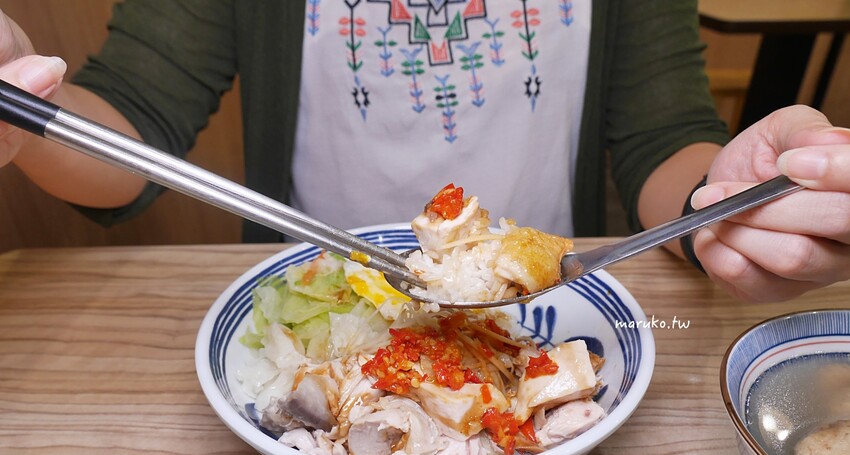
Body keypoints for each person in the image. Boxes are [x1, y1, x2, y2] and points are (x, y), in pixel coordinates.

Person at [0, 1, 848, 304]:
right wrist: (24, 101)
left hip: (553, 311)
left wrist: (723, 202)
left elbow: (664, 141)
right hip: (316, 309)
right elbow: (133, 123)